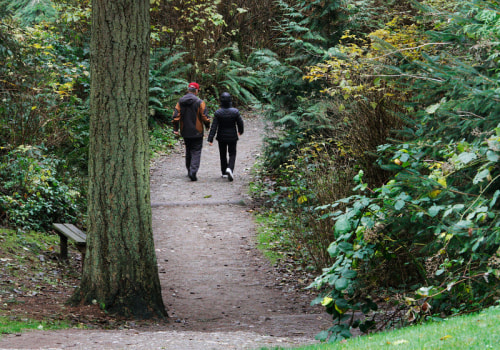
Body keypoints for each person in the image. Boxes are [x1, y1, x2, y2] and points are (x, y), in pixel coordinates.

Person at [173, 82, 211, 181]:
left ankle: (189, 169)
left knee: (188, 149)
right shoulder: (200, 102)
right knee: (196, 151)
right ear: (197, 91)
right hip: (197, 131)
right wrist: (207, 125)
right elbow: (204, 116)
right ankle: (193, 171)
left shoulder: (180, 101)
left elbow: (176, 116)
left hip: (185, 130)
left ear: (188, 90)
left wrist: (175, 129)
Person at [207, 92, 244, 182]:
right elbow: (240, 123)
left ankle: (224, 172)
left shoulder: (218, 113)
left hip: (221, 137)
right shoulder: (235, 112)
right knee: (232, 153)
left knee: (222, 154)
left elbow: (214, 126)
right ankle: (230, 169)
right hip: (232, 136)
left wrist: (210, 138)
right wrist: (240, 131)